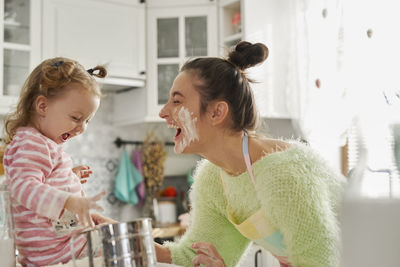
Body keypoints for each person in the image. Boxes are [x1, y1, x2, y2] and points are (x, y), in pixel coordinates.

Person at [156, 41, 347, 267]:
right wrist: (127, 239)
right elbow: (194, 254)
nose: (163, 112)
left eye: (176, 101)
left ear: (217, 112)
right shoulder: (214, 178)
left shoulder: (284, 175)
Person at [2, 57, 115, 266]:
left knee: (118, 237)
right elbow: (24, 187)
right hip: (59, 253)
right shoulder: (31, 143)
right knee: (122, 246)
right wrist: (67, 200)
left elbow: (39, 180)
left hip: (62, 246)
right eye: (76, 118)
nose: (82, 128)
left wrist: (68, 177)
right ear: (42, 106)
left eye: (87, 121)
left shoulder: (40, 143)